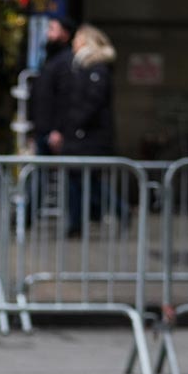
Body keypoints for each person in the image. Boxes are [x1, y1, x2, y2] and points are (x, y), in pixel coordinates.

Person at [51, 23, 117, 237]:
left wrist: (75, 124)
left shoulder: (96, 68)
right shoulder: (81, 66)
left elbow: (91, 103)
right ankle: (76, 224)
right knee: (78, 181)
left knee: (87, 181)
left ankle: (119, 211)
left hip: (89, 136)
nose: (73, 43)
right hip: (79, 135)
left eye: (78, 39)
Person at [32, 16, 75, 159]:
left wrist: (58, 129)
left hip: (54, 133)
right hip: (43, 129)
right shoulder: (50, 59)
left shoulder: (66, 60)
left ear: (65, 34)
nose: (48, 34)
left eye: (52, 29)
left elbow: (66, 97)